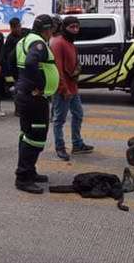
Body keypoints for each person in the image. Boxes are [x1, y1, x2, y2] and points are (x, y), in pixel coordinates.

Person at [9, 14, 60, 194]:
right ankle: (23, 178)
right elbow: (31, 62)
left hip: (25, 95)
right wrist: (39, 85)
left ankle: (29, 171)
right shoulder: (38, 43)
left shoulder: (24, 40)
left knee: (27, 134)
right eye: (52, 29)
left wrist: (21, 82)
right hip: (34, 99)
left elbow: (10, 62)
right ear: (48, 29)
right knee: (35, 136)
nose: (52, 32)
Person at [51, 16, 94, 161]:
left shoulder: (72, 44)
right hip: (63, 89)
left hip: (73, 88)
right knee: (59, 120)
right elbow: (57, 69)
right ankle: (60, 147)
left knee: (78, 114)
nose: (75, 30)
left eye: (77, 27)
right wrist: (64, 89)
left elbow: (76, 63)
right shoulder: (58, 43)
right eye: (72, 27)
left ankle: (77, 144)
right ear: (64, 27)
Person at [1, 17, 26, 116]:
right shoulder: (10, 39)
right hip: (17, 69)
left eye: (19, 26)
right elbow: (8, 57)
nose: (18, 29)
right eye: (15, 27)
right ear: (11, 28)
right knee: (18, 90)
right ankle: (18, 109)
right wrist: (12, 72)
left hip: (28, 66)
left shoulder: (26, 33)